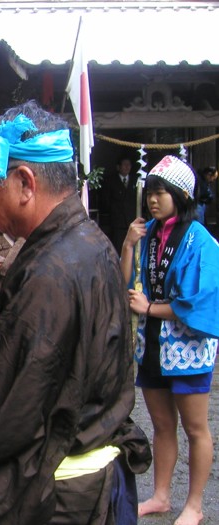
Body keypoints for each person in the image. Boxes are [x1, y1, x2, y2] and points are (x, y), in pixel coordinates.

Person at [0, 101, 151, 524]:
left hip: (60, 494)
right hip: (99, 473)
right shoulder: (93, 242)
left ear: (25, 182)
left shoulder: (50, 272)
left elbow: (22, 394)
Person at [121, 155, 219, 525]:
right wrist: (129, 246)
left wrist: (151, 308)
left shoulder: (201, 241)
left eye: (161, 192)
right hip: (154, 344)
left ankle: (194, 505)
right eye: (150, 193)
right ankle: (161, 496)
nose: (153, 200)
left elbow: (201, 301)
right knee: (162, 425)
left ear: (180, 194)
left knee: (196, 428)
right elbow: (125, 284)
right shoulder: (148, 235)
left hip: (189, 347)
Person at [98, 154, 139, 254]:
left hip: (132, 220)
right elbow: (106, 201)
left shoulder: (136, 180)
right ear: (118, 167)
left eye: (129, 165)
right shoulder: (110, 181)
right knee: (118, 249)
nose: (127, 167)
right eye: (124, 165)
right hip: (117, 222)